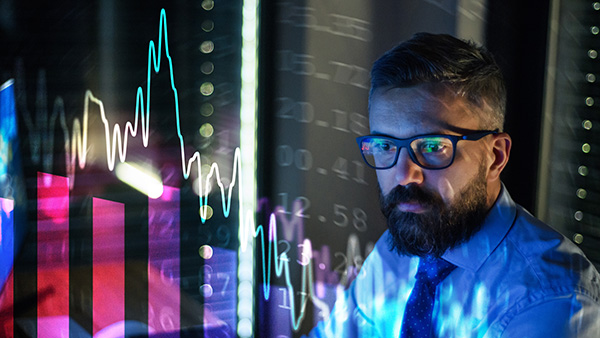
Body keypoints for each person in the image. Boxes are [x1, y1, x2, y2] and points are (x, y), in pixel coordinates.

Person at [306, 33, 600, 337]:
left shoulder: (552, 301)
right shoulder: (397, 251)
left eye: (433, 147)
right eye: (385, 145)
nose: (405, 175)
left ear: (496, 157)